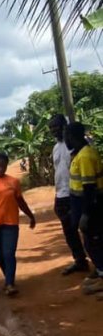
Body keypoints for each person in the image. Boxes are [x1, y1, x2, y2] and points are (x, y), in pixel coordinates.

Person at [0, 151, 36, 296]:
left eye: (3, 166)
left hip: (10, 224)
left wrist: (31, 216)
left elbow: (21, 202)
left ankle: (9, 283)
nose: (0, 169)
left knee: (9, 253)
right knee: (1, 254)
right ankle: (9, 279)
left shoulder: (14, 182)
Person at [64, 121, 103, 295]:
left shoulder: (85, 156)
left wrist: (86, 214)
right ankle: (100, 272)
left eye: (67, 136)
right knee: (92, 241)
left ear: (72, 137)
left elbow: (89, 188)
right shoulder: (80, 154)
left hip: (92, 206)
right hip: (82, 204)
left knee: (93, 242)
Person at [49, 114, 89, 274]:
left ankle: (98, 264)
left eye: (56, 126)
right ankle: (80, 260)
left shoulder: (73, 144)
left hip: (76, 193)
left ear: (64, 125)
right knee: (69, 231)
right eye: (51, 128)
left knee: (87, 228)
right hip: (61, 194)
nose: (54, 130)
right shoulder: (56, 147)